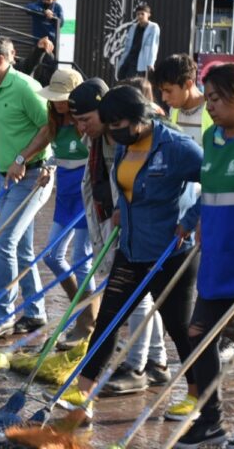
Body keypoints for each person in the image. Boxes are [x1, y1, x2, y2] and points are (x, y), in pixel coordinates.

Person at [59, 85, 202, 423]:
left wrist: (192, 218)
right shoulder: (123, 146)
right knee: (107, 322)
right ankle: (83, 396)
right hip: (131, 248)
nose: (114, 131)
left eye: (119, 124)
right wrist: (123, 208)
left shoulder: (177, 147)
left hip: (171, 252)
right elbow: (125, 183)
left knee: (179, 327)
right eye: (109, 125)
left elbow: (214, 182)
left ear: (139, 118)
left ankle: (196, 398)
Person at [68, 79, 171, 394]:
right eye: (78, 122)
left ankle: (135, 366)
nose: (82, 128)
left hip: (137, 228)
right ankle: (157, 362)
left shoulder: (129, 135)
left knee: (134, 295)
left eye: (86, 120)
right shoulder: (99, 137)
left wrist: (127, 214)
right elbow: (96, 180)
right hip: (109, 223)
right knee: (141, 296)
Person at [153, 53, 234, 365]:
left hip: (226, 218)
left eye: (168, 91)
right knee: (205, 298)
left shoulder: (212, 118)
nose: (164, 99)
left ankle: (232, 335)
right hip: (202, 213)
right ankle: (208, 407)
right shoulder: (181, 117)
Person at [175, 63, 234, 448]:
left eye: (216, 99)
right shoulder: (210, 137)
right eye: (209, 100)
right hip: (217, 257)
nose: (211, 108)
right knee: (198, 336)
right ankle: (211, 420)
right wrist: (190, 219)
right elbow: (210, 191)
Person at [0, 36, 54, 336]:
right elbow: (0, 129)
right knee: (21, 248)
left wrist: (22, 157)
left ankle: (4, 313)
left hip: (32, 176)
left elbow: (49, 127)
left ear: (2, 60)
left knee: (2, 242)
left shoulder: (24, 88)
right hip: (5, 176)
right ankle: (35, 311)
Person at [35, 69, 97, 348]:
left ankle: (88, 323)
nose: (58, 104)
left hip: (86, 196)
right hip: (65, 197)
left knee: (81, 259)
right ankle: (83, 310)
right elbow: (49, 149)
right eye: (55, 99)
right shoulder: (55, 122)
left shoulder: (87, 124)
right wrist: (45, 166)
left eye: (63, 99)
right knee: (51, 256)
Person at [117, 2, 160, 80]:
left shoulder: (153, 27)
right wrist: (122, 60)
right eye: (138, 14)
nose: (140, 16)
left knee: (134, 81)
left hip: (141, 60)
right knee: (121, 77)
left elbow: (154, 46)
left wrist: (151, 63)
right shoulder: (133, 27)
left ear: (148, 15)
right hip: (130, 58)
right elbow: (128, 46)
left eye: (142, 14)